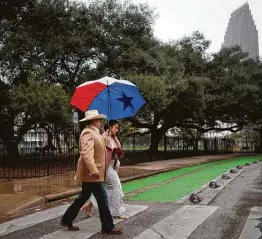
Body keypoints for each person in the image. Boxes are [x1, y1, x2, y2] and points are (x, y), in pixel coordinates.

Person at [60, 110, 122, 234]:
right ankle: (108, 226)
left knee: (84, 196)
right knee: (102, 197)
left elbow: (101, 150)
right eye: (99, 120)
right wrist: (93, 170)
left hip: (94, 173)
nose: (100, 122)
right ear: (94, 121)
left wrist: (110, 140)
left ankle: (67, 219)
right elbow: (87, 155)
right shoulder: (87, 133)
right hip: (93, 174)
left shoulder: (96, 133)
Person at [81, 120, 128, 220]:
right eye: (115, 127)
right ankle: (117, 212)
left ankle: (89, 206)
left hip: (112, 166)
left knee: (105, 190)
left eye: (117, 127)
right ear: (110, 127)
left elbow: (115, 150)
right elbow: (102, 154)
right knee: (116, 186)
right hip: (106, 167)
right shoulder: (104, 137)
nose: (117, 129)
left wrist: (118, 153)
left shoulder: (113, 137)